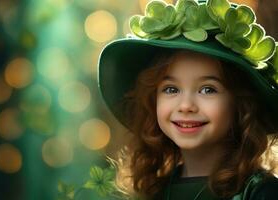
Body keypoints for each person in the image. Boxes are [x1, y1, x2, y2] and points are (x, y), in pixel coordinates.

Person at [97, 0, 278, 199]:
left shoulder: (261, 192)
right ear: (153, 100)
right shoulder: (152, 190)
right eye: (171, 89)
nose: (185, 106)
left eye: (208, 89)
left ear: (241, 103)